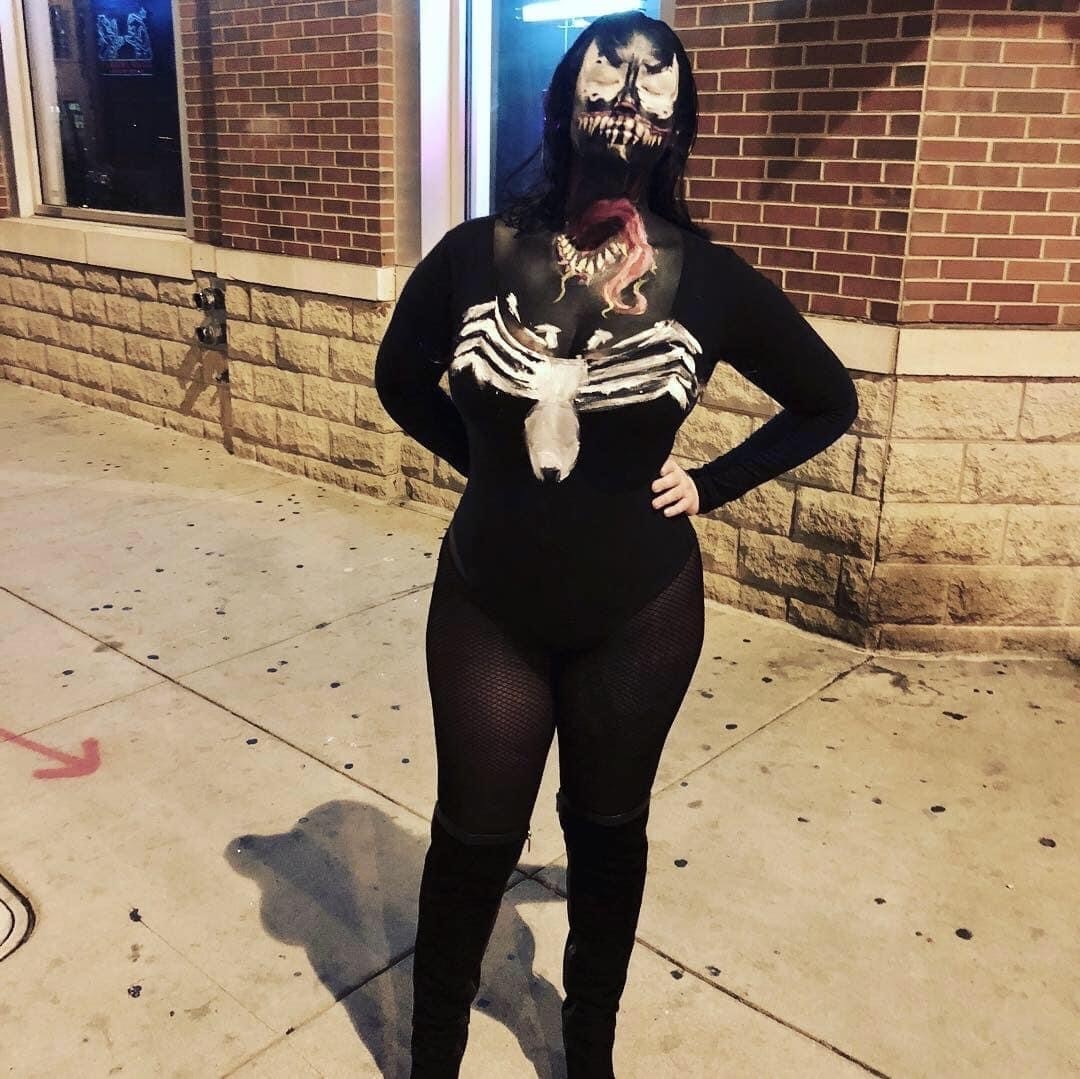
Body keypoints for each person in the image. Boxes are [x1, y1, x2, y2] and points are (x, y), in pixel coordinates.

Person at [374, 12, 858, 1078]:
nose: (631, 93)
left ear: (678, 125)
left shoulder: (708, 277)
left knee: (605, 834)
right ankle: (433, 1054)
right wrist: (485, 464)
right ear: (561, 103)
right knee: (472, 840)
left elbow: (828, 398)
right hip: (489, 604)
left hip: (639, 612)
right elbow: (397, 379)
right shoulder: (474, 256)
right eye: (611, 74)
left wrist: (712, 482)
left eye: (655, 81)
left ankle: (587, 1045)